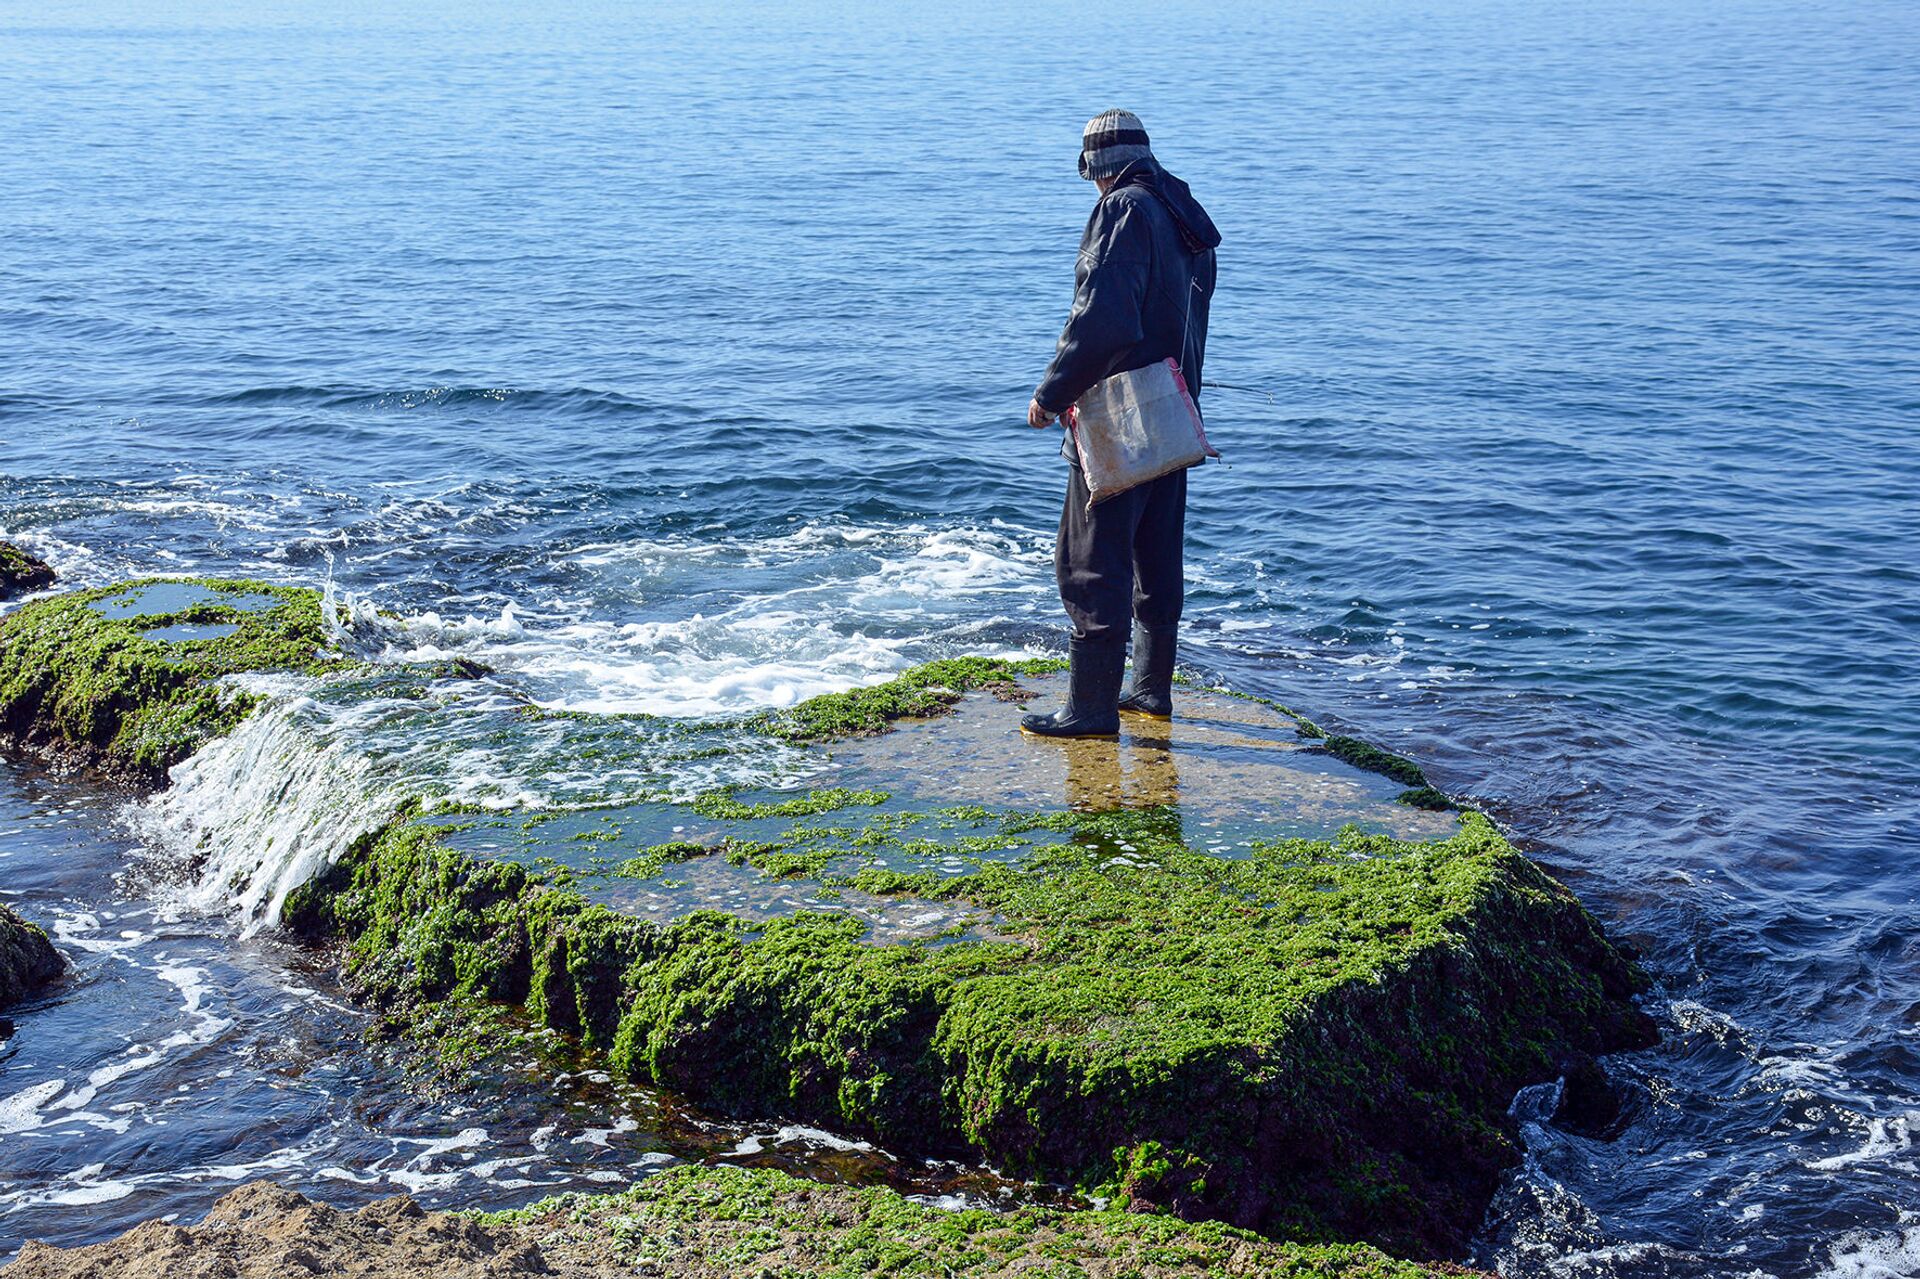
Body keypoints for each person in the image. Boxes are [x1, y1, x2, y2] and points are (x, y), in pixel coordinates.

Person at [1021, 110, 1221, 738]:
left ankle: (1090, 708)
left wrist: (1052, 393)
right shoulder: (1180, 209)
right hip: (1175, 408)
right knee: (1156, 554)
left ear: (1094, 166)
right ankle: (1151, 690)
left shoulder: (1122, 209)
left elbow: (1103, 318)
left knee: (1091, 559)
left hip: (1120, 416)